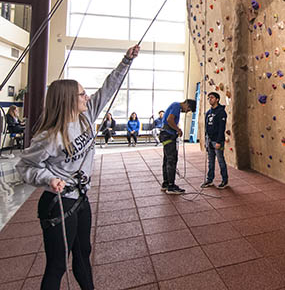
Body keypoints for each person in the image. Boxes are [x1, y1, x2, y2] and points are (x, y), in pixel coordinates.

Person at [16, 45, 140, 290]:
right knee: (57, 266)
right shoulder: (50, 136)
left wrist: (126, 60)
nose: (88, 97)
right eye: (82, 94)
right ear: (67, 100)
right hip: (59, 204)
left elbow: (108, 88)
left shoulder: (86, 116)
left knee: (83, 254)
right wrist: (48, 179)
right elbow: (25, 166)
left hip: (80, 200)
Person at [159, 99, 196, 194]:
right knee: (171, 160)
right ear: (186, 104)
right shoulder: (176, 106)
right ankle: (171, 186)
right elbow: (169, 120)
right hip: (168, 135)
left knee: (167, 159)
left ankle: (166, 183)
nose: (186, 111)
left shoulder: (175, 106)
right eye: (188, 109)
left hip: (165, 134)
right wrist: (178, 129)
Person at [201, 92, 229, 189]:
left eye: (212, 98)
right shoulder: (208, 113)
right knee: (210, 161)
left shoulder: (221, 112)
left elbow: (222, 128)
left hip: (217, 141)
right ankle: (210, 180)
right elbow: (206, 127)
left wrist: (218, 142)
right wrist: (206, 140)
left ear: (217, 99)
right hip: (209, 140)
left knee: (220, 160)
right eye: (208, 98)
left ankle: (224, 180)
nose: (210, 99)